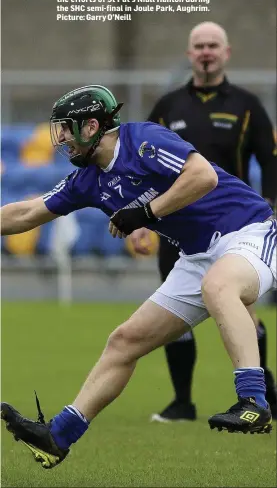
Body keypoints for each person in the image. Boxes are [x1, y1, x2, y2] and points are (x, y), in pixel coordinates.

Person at [1, 84, 276, 470]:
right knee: (124, 341)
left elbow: (202, 176)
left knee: (219, 285)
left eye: (66, 128)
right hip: (197, 255)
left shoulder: (143, 139)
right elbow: (27, 214)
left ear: (92, 125)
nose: (60, 138)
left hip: (249, 230)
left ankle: (254, 401)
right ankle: (58, 436)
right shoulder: (89, 179)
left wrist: (147, 213)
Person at [130, 21, 277, 423]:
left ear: (226, 52)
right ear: (189, 53)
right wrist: (142, 221)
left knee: (243, 311)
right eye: (199, 45)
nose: (206, 51)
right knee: (173, 315)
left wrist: (271, 203)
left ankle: (261, 396)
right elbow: (143, 169)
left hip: (237, 229)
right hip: (176, 228)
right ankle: (182, 402)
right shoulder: (167, 107)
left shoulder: (248, 105)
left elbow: (270, 160)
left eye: (213, 45)